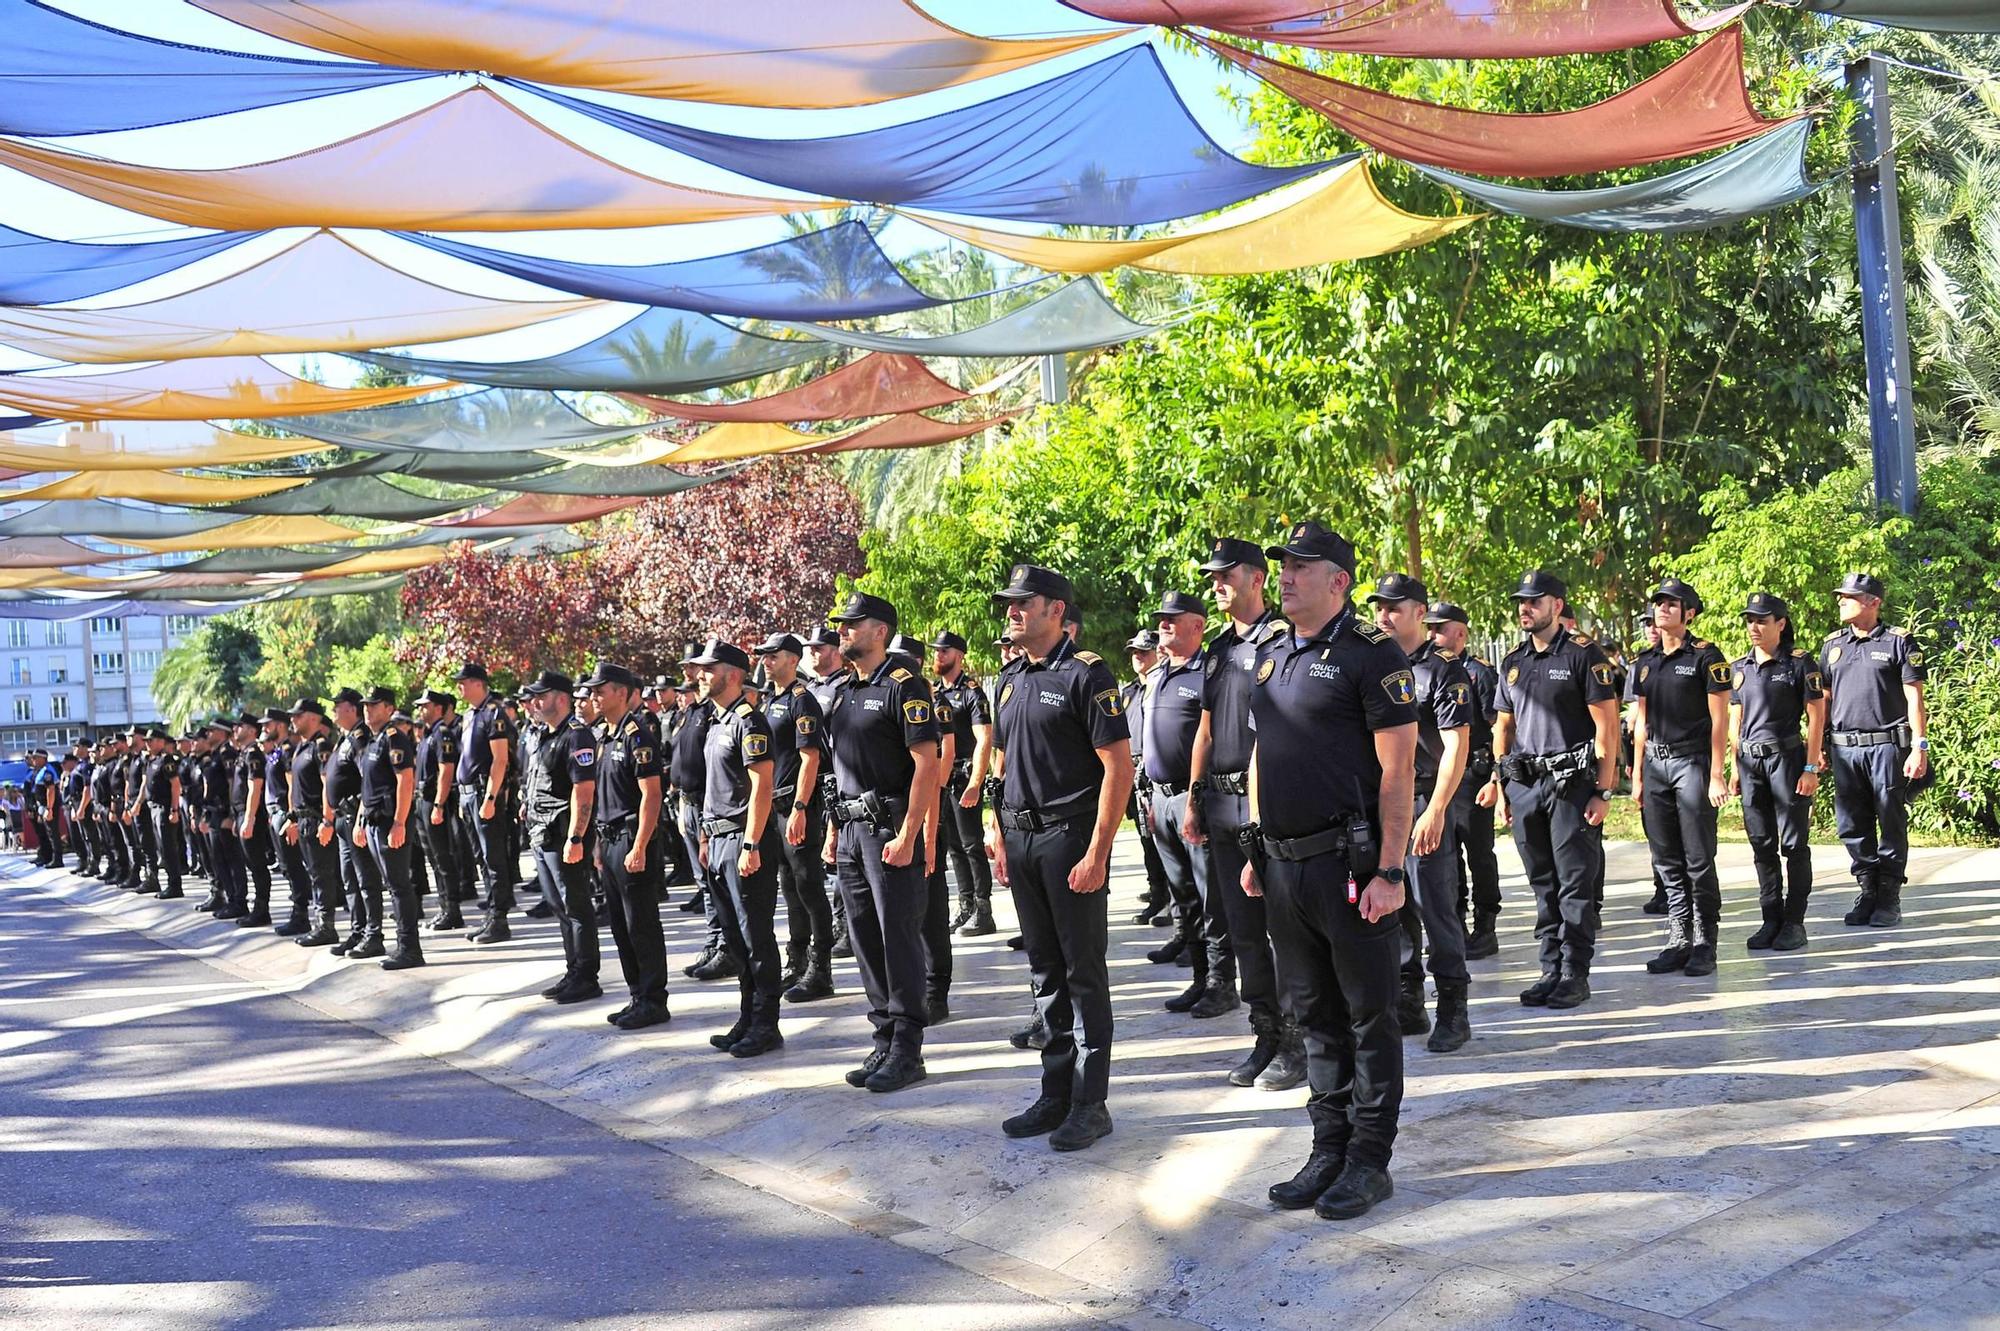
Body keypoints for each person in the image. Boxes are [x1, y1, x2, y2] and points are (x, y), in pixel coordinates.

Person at [1241, 522, 1416, 1221]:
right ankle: (1327, 1147)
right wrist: (1257, 849)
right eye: (1282, 565)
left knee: (1369, 1014)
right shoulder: (1270, 658)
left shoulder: (1372, 657)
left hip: (1350, 865)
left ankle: (1368, 1160)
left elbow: (1399, 770)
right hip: (1285, 869)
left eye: (1300, 567)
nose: (1283, 576)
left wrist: (1392, 869)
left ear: (1338, 581)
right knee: (1313, 1014)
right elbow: (1262, 755)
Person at [988, 565, 1132, 1152]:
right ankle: (1054, 1091)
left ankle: (1091, 1102)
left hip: (1069, 841)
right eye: (1010, 603)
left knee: (1082, 972)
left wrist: (1099, 851)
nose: (1012, 611)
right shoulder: (1010, 678)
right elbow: (1003, 763)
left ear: (1055, 610)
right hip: (1021, 840)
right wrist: (996, 833)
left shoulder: (1086, 676)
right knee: (1044, 972)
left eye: (1024, 603)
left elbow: (1117, 768)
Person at [1184, 536, 1304, 1089]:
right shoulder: (1215, 649)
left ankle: (1298, 1039)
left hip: (1266, 803)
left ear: (1258, 579)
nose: (1217, 585)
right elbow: (1206, 730)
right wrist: (1193, 797)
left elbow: (1273, 732)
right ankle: (1265, 1034)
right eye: (1213, 577)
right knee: (1244, 930)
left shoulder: (1280, 640)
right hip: (1219, 803)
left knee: (1284, 929)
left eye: (1227, 575)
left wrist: (1258, 813)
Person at [1479, 571, 1620, 1011]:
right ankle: (1550, 968)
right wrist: (1500, 784)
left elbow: (1608, 727)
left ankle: (1576, 972)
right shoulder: (1514, 661)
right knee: (1542, 882)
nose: (1525, 608)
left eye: (1535, 601)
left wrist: (1604, 790)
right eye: (1522, 601)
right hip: (1524, 784)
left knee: (1574, 882)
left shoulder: (1583, 655)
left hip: (1571, 785)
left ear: (1557, 606)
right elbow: (1502, 727)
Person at [823, 591, 940, 1094]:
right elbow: (841, 767)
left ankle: (908, 1048)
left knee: (898, 938)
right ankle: (884, 1036)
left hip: (887, 823)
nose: (843, 630)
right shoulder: (845, 689)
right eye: (842, 624)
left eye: (854, 623)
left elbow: (927, 764)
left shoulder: (904, 684)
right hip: (849, 827)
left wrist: (911, 833)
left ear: (881, 632)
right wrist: (832, 832)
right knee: (865, 938)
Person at [1368, 573, 1474, 1053]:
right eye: (1378, 608)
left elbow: (1457, 746)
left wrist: (1435, 810)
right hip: (1382, 799)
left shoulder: (1442, 668)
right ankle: (1409, 999)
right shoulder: (1370, 662)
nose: (1383, 616)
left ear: (1419, 612)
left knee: (1436, 906)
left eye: (1394, 607)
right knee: (1395, 905)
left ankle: (1453, 1006)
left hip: (1425, 798)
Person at [1628, 578, 1731, 977]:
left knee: (1698, 858)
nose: (1663, 608)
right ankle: (1678, 936)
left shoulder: (1707, 657)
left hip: (1693, 763)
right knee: (1666, 858)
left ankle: (1705, 940)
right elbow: (1641, 721)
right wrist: (1636, 775)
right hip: (1656, 763)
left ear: (1689, 613)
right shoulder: (1645, 661)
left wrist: (1718, 774)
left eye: (1672, 603)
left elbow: (1720, 720)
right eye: (1658, 603)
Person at [690, 639, 787, 1057]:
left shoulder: (750, 722)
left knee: (755, 935)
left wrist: (750, 843)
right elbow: (715, 790)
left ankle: (766, 1023)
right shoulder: (717, 721)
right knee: (733, 935)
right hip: (719, 838)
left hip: (745, 839)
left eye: (708, 669)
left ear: (732, 673)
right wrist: (707, 838)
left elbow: (762, 786)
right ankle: (747, 1016)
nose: (699, 676)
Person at [1143, 590, 1235, 1018]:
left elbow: (1209, 737)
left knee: (1210, 894)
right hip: (1159, 799)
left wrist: (1195, 801)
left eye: (1173, 619)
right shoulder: (1158, 674)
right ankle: (1199, 977)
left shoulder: (1207, 673)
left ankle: (1221, 983)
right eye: (1161, 618)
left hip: (1192, 796)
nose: (1163, 624)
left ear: (1197, 625)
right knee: (1183, 896)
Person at [1821, 571, 1929, 928]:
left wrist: (1919, 747)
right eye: (1841, 596)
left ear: (1873, 602)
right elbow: (1824, 699)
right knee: (1852, 824)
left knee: (1891, 820)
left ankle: (1888, 896)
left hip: (1886, 747)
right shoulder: (1832, 645)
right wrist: (1817, 747)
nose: (1841, 602)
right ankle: (1867, 890)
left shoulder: (1899, 642)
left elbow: (1915, 699)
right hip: (1844, 749)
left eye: (1849, 597)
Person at [1729, 593, 1826, 952]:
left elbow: (1817, 716)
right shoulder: (1740, 668)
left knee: (1793, 844)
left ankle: (1794, 922)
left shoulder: (1800, 664)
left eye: (1762, 620)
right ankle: (1770, 918)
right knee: (1761, 844)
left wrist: (1811, 766)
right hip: (1751, 764)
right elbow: (1735, 720)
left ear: (1781, 624)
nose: (1754, 627)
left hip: (1787, 760)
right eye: (1750, 620)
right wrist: (1735, 766)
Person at [580, 660, 672, 1031]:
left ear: (621, 692)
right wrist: (600, 845)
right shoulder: (604, 735)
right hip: (610, 838)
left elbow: (652, 795)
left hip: (634, 839)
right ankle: (637, 995)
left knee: (641, 924)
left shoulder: (638, 734)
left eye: (601, 690)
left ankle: (653, 999)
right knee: (620, 924)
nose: (594, 697)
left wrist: (639, 846)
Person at [750, 632, 836, 1004]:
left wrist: (801, 809)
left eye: (773, 656)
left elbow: (811, 758)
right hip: (775, 808)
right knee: (791, 888)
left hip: (796, 808)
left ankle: (821, 969)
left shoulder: (803, 701)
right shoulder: (772, 702)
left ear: (792, 659)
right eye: (765, 656)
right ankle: (797, 960)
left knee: (810, 888)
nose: (766, 661)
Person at [1424, 602, 1502, 959]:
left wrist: (1497, 776)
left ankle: (1485, 925)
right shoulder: (1429, 668)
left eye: (1440, 629)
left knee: (1479, 852)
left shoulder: (1478, 672)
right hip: (1440, 774)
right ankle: (1452, 923)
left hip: (1473, 773)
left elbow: (1498, 725)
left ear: (1460, 632)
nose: (1432, 635)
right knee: (1447, 856)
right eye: (1430, 628)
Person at [520, 670, 600, 1000]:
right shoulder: (544, 734)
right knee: (557, 904)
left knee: (576, 905)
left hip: (562, 833)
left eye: (543, 694)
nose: (536, 700)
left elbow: (583, 790)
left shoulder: (577, 736)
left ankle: (586, 976)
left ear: (562, 699)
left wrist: (577, 837)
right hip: (541, 831)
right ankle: (573, 970)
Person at [931, 630, 997, 937]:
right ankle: (966, 904)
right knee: (954, 846)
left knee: (972, 844)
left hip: (964, 776)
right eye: (936, 651)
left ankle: (983, 910)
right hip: (942, 777)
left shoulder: (971, 693)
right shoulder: (933, 691)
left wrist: (975, 782)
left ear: (959, 655)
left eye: (944, 652)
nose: (938, 656)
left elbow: (984, 739)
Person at [355, 688, 424, 970]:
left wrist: (399, 822)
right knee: (390, 885)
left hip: (389, 822)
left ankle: (409, 948)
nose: (367, 709)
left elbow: (405, 780)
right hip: (372, 821)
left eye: (374, 705)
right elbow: (367, 787)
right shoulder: (373, 741)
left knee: (399, 886)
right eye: (365, 705)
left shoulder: (394, 738)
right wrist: (361, 820)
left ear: (389, 708)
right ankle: (400, 944)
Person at [454, 662, 517, 944]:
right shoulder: (469, 715)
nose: (459, 686)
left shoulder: (494, 713)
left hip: (483, 793)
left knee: (493, 857)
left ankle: (499, 918)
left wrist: (491, 796)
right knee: (481, 857)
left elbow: (500, 759)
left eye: (464, 681)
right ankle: (490, 914)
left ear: (479, 683)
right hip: (468, 794)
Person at [322, 688, 383, 960]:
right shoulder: (344, 739)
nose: (334, 712)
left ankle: (373, 935)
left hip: (354, 816)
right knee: (350, 880)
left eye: (338, 706)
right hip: (341, 819)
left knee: (365, 879)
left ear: (351, 709)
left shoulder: (360, 738)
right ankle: (358, 931)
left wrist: (360, 816)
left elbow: (366, 781)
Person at [1119, 630, 1174, 929]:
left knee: (1163, 839)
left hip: (1158, 771)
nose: (1137, 656)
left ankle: (1170, 899)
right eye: (1134, 652)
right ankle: (1157, 893)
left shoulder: (1161, 685)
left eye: (1144, 651)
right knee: (1145, 838)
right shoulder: (1128, 692)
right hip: (1135, 773)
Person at [288, 698, 345, 948]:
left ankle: (326, 926)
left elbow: (326, 785)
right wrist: (291, 818)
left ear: (312, 717)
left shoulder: (321, 745)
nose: (293, 719)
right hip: (302, 819)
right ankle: (319, 922)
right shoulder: (302, 747)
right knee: (315, 873)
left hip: (316, 818)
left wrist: (327, 819)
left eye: (298, 715)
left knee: (322, 875)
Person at [415, 689, 470, 932]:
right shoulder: (428, 734)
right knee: (434, 858)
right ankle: (444, 906)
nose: (421, 710)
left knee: (443, 856)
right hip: (422, 801)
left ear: (438, 708)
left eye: (425, 706)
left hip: (433, 801)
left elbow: (446, 770)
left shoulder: (442, 734)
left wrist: (438, 804)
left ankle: (453, 909)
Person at [229, 714, 274, 927]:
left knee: (257, 864)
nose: (236, 729)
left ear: (252, 731)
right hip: (241, 814)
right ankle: (256, 907)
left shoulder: (254, 753)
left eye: (241, 726)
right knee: (250, 863)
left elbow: (255, 786)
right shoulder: (244, 753)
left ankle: (262, 909)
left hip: (251, 815)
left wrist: (249, 818)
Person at [140, 729, 185, 899]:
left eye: (151, 740)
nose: (148, 743)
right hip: (153, 807)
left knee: (168, 849)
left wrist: (174, 809)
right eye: (147, 740)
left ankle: (175, 885)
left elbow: (175, 785)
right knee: (161, 849)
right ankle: (170, 883)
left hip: (164, 808)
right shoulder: (150, 761)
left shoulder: (166, 760)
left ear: (160, 742)